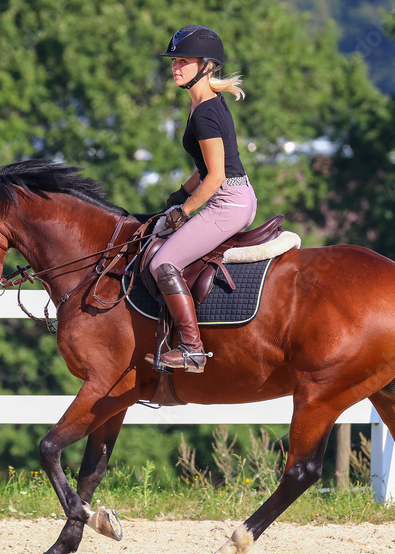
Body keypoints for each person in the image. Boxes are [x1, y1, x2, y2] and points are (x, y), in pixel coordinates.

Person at [148, 24, 257, 373]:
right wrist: (179, 194)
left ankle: (193, 349)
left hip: (227, 201)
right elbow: (205, 167)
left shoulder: (207, 112)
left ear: (206, 66)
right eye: (174, 60)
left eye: (184, 61)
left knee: (162, 264)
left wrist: (183, 211)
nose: (175, 67)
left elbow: (216, 177)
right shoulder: (203, 105)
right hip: (230, 195)